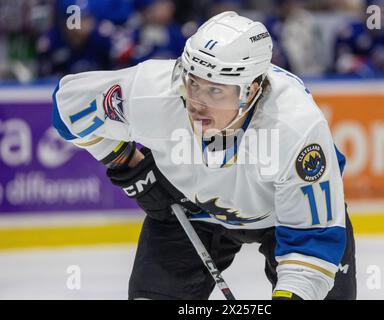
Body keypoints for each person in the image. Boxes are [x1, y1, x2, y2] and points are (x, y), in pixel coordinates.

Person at [52, 11, 356, 300]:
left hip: (285, 219)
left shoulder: (295, 127)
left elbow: (311, 246)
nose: (196, 102)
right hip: (188, 210)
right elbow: (68, 108)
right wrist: (124, 162)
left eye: (215, 91)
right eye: (193, 83)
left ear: (249, 91)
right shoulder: (155, 92)